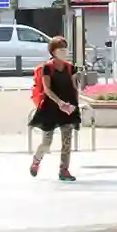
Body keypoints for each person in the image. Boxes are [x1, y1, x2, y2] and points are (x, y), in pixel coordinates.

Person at [28, 36, 81, 182]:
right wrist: (59, 103)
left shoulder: (70, 67)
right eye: (60, 50)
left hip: (67, 108)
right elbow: (47, 89)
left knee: (67, 141)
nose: (64, 52)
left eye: (65, 49)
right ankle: (37, 160)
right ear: (53, 52)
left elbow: (74, 88)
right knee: (47, 142)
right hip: (51, 108)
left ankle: (64, 170)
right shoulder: (48, 67)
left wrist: (74, 105)